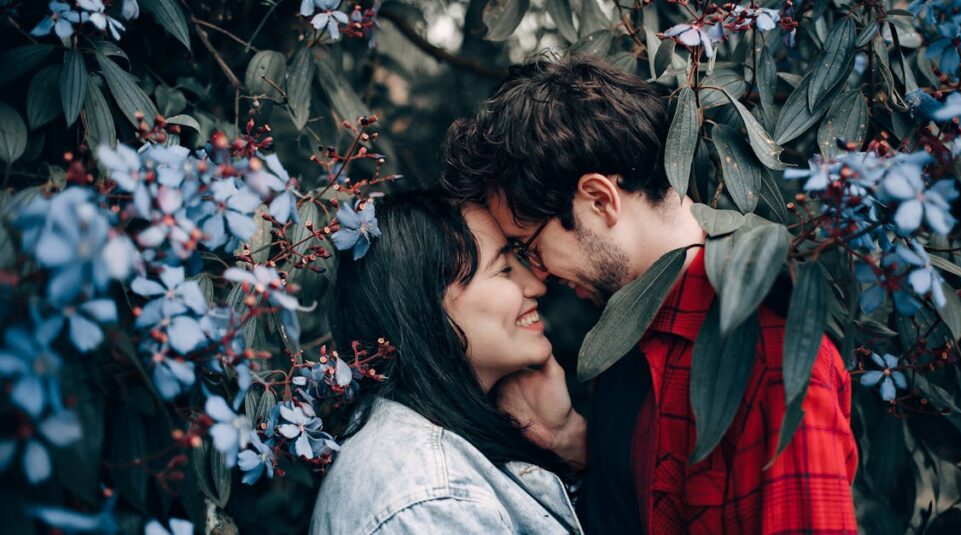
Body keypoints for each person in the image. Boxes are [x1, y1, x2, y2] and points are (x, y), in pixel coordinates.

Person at [442, 54, 859, 535]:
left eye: (530, 247)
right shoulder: (626, 337)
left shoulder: (769, 360)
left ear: (600, 199)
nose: (538, 278)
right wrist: (573, 445)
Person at [309, 190, 585, 534]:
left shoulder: (436, 456)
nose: (535, 286)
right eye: (503, 269)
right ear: (426, 307)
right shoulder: (433, 503)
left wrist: (565, 441)